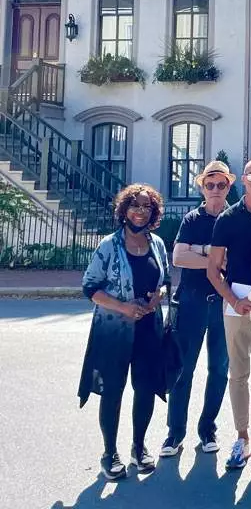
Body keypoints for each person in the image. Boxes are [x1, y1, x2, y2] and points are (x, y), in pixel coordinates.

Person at [79, 184, 170, 480]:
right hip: (114, 330)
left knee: (144, 389)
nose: (140, 212)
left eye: (146, 207)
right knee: (113, 390)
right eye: (135, 205)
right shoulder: (108, 245)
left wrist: (159, 296)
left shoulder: (157, 243)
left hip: (148, 329)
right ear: (124, 210)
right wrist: (122, 307)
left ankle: (139, 447)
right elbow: (90, 287)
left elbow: (166, 280)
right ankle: (110, 453)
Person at [161, 161, 235, 458]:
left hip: (224, 303)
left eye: (221, 185)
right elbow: (179, 257)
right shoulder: (192, 219)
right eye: (209, 185)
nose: (215, 190)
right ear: (201, 187)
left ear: (229, 186)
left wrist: (198, 252)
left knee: (219, 369)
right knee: (183, 370)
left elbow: (240, 258)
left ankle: (208, 429)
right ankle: (174, 433)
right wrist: (213, 258)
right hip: (191, 301)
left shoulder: (235, 218)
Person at [207, 158, 251, 470]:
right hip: (238, 299)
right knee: (238, 372)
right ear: (243, 179)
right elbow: (212, 269)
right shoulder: (228, 217)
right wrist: (233, 301)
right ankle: (242, 436)